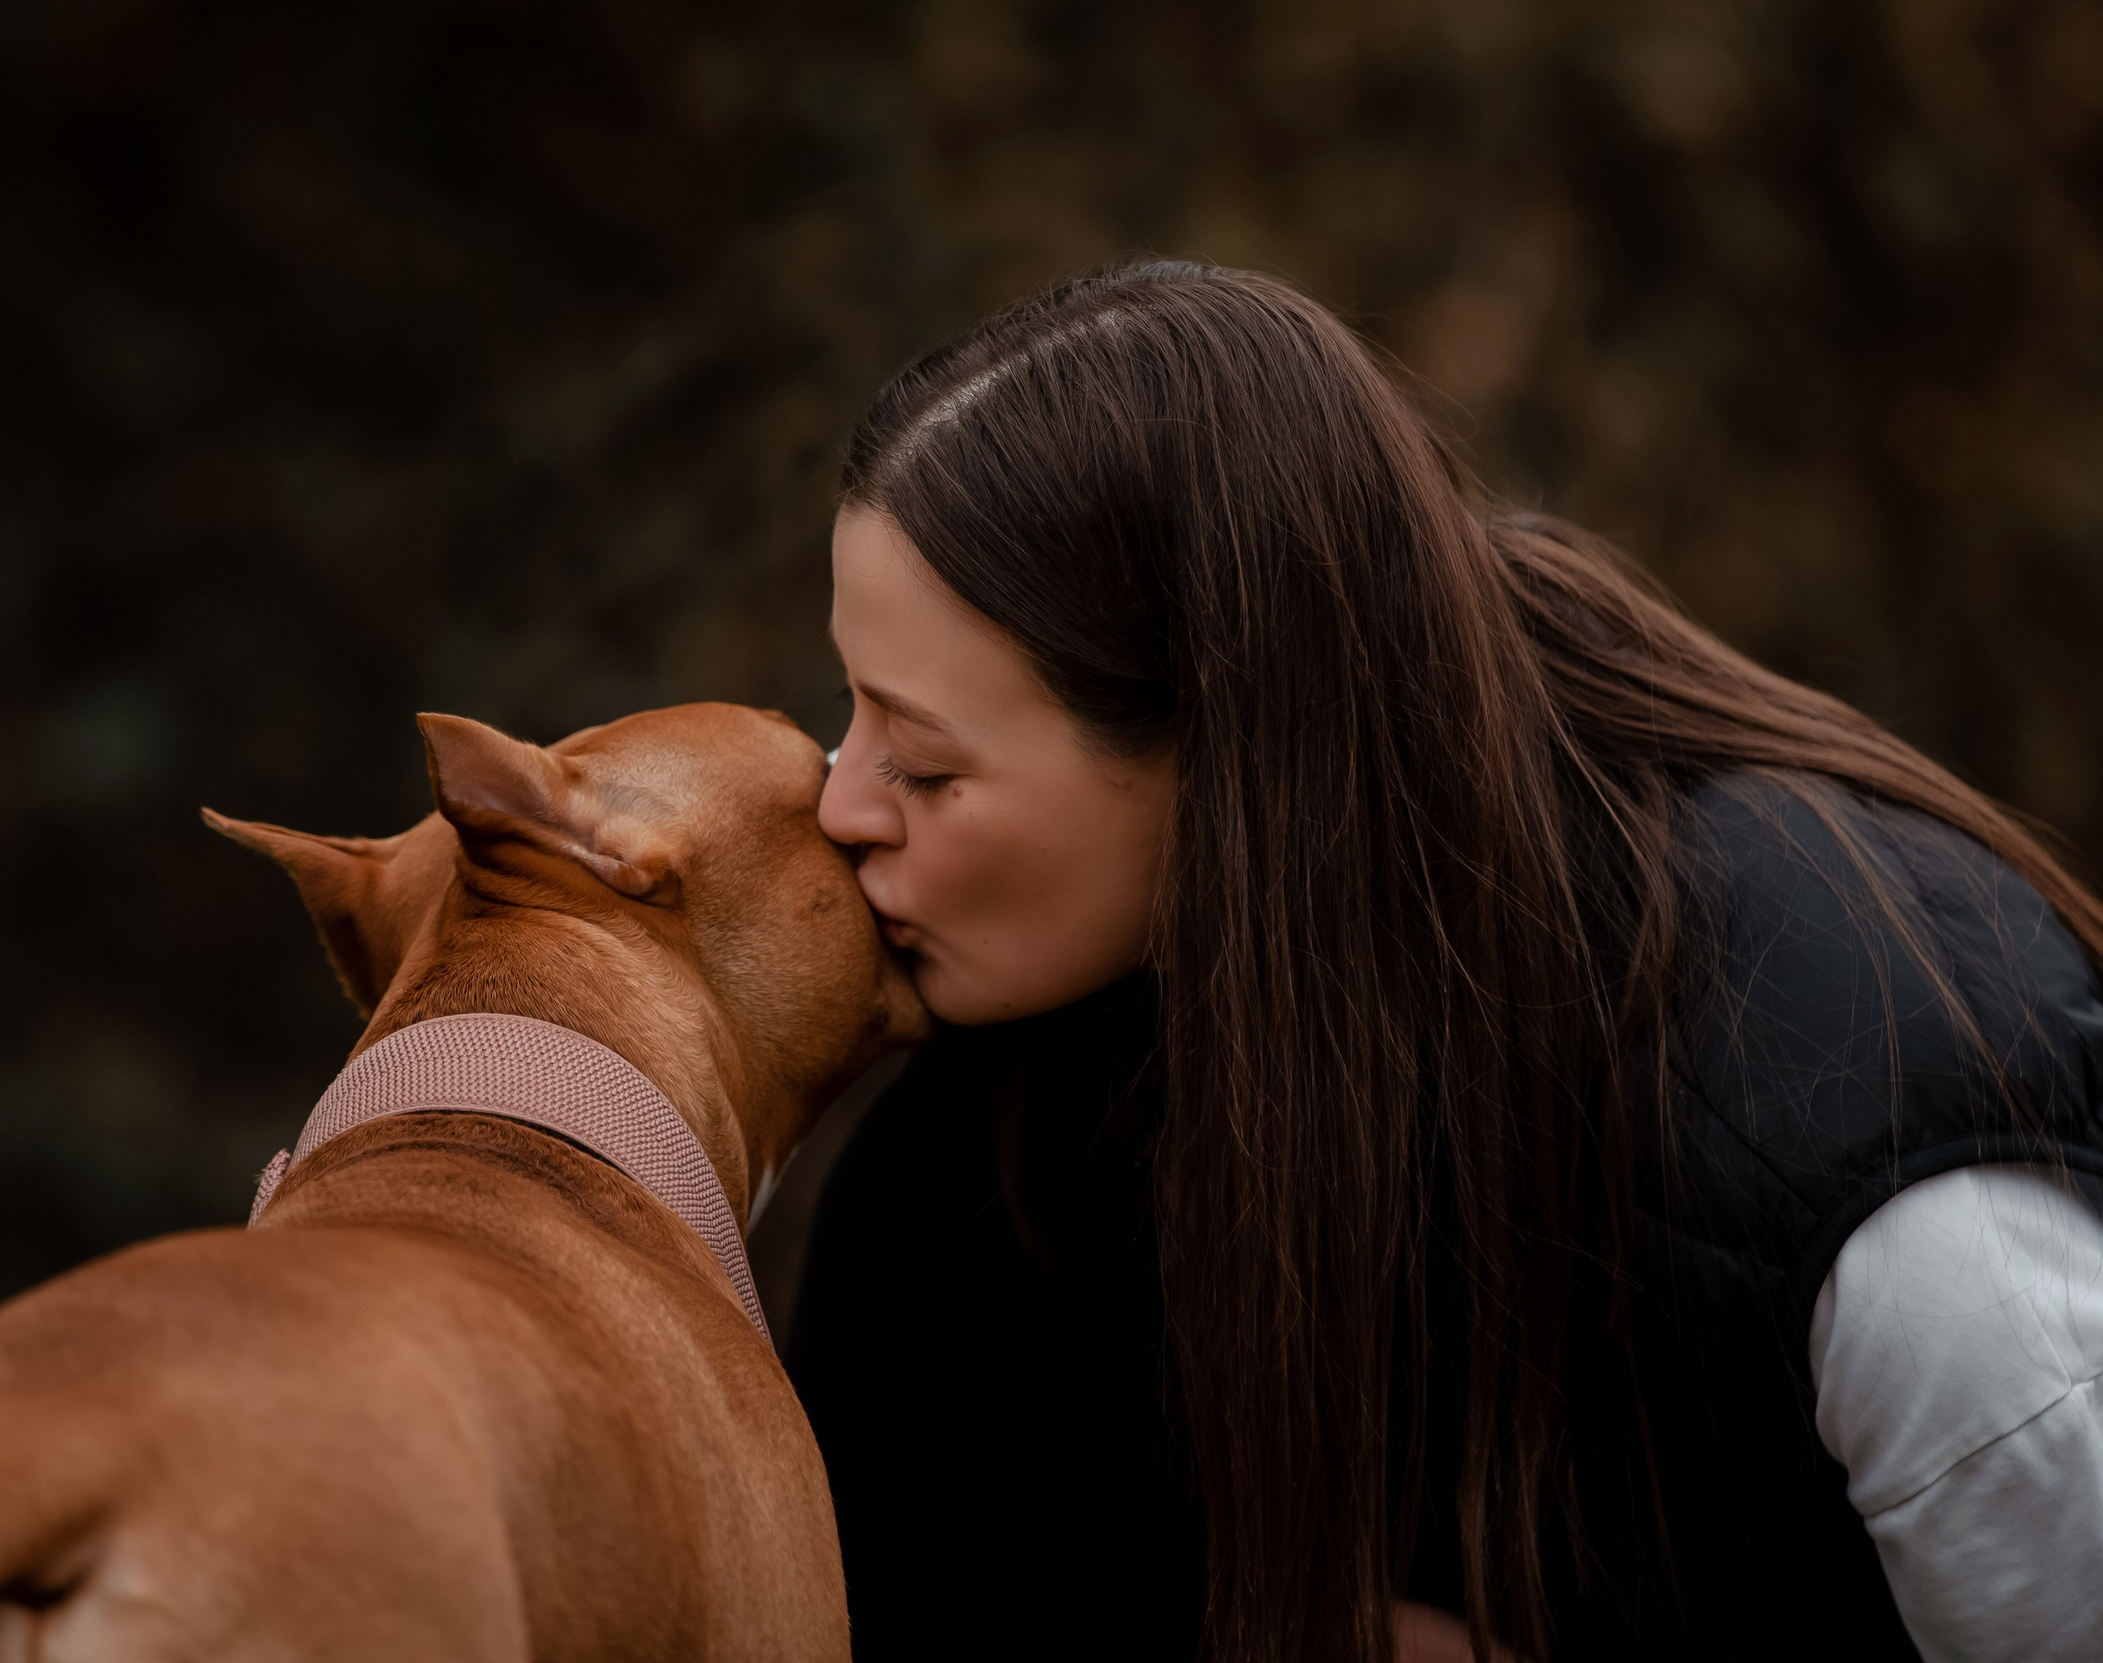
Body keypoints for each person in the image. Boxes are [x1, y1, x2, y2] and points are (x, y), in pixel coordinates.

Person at [785, 260, 2103, 1663]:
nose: (840, 806)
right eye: (851, 716)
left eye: (922, 763)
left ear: (1229, 751)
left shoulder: (1879, 1162)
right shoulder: (1006, 1106)